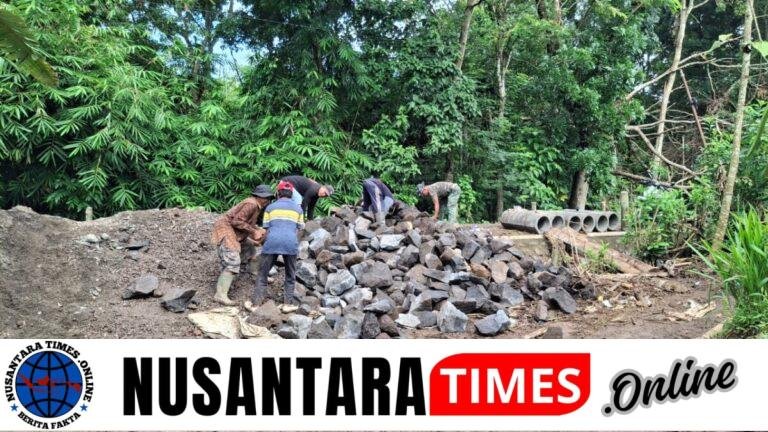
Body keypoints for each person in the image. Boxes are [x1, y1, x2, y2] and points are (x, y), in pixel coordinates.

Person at [210, 185, 275, 305]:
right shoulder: (252, 203)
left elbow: (245, 222)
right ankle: (220, 294)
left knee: (250, 250)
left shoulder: (256, 206)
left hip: (235, 231)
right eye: (266, 198)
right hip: (226, 229)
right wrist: (254, 231)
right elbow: (236, 221)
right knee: (232, 261)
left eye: (269, 198)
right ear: (259, 196)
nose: (267, 201)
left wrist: (257, 230)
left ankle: (255, 274)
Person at [251, 180, 305, 306]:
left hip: (272, 242)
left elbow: (266, 230)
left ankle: (256, 303)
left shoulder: (270, 208)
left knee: (262, 274)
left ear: (278, 193)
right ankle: (287, 304)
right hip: (290, 243)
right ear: (291, 194)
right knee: (290, 275)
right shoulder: (298, 209)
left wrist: (260, 242)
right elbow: (299, 229)